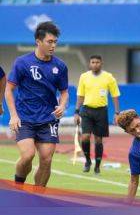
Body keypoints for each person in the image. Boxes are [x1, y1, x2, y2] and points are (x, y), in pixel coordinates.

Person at [5, 21, 69, 186]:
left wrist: (62, 106)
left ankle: (38, 197)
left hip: (48, 119)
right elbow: (8, 89)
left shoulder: (60, 66)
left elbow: (64, 92)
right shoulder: (22, 62)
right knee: (27, 156)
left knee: (46, 160)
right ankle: (18, 185)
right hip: (25, 118)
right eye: (49, 41)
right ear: (38, 41)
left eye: (55, 42)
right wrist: (13, 115)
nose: (53, 45)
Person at [74, 55, 121, 174]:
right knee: (85, 137)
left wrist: (117, 113)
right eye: (93, 62)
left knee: (98, 140)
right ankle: (88, 160)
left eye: (97, 62)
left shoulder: (108, 77)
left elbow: (115, 95)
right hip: (86, 110)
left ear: (101, 63)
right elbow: (80, 95)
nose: (95, 64)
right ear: (90, 64)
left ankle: (97, 166)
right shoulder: (84, 77)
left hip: (101, 111)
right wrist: (76, 112)